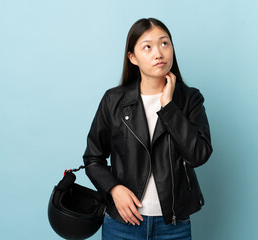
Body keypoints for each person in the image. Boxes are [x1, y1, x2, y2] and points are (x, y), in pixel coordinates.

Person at [83, 17, 213, 240]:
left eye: (165, 43)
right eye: (147, 47)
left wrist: (169, 107)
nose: (158, 53)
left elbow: (198, 156)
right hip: (122, 224)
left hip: (173, 225)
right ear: (133, 57)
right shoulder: (113, 101)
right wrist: (114, 189)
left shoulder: (190, 99)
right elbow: (93, 158)